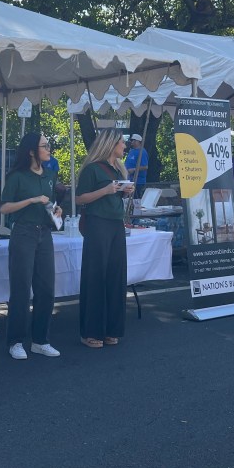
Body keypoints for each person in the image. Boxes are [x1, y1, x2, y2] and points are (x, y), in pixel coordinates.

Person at [0, 132, 63, 360]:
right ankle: (15, 341)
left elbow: (50, 203)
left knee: (46, 289)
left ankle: (40, 340)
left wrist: (57, 210)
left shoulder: (50, 175)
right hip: (23, 233)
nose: (48, 149)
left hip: (45, 233)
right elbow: (4, 208)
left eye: (48, 145)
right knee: (21, 288)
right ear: (31, 151)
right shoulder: (17, 177)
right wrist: (31, 200)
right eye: (44, 146)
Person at [75, 129, 135, 348]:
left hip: (116, 224)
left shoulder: (118, 169)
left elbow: (114, 195)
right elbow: (79, 198)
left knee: (115, 276)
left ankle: (111, 329)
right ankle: (91, 331)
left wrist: (124, 191)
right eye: (122, 142)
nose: (125, 146)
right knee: (95, 276)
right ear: (111, 144)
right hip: (97, 224)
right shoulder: (92, 169)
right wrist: (106, 190)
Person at [124, 133, 149, 198]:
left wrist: (134, 169)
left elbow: (145, 167)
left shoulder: (142, 152)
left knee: (136, 199)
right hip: (130, 180)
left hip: (138, 182)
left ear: (138, 141)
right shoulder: (131, 151)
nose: (132, 142)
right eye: (132, 140)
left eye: (134, 140)